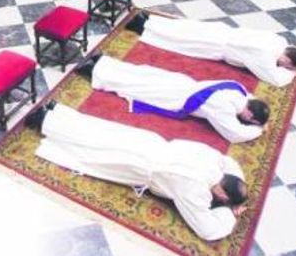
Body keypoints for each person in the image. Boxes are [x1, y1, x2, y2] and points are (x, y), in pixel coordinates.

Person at [26, 102, 250, 241]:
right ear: (221, 195)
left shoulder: (214, 161)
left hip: (150, 143)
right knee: (91, 152)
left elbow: (231, 164)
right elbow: (208, 230)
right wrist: (230, 213)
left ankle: (55, 113)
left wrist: (237, 189)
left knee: (100, 131)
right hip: (138, 164)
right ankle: (43, 122)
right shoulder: (195, 190)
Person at [78, 55, 269, 143]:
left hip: (183, 83)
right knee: (135, 86)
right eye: (250, 119)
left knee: (143, 74)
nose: (247, 121)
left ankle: (102, 62)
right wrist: (257, 129)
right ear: (250, 113)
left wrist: (260, 118)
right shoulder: (224, 108)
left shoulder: (240, 90)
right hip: (175, 98)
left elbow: (251, 98)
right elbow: (234, 134)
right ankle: (93, 72)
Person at [126, 13, 296, 87]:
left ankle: (149, 19)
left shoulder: (278, 40)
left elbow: (289, 46)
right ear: (287, 60)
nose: (283, 65)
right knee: (181, 40)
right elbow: (274, 79)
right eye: (286, 64)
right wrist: (292, 74)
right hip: (218, 46)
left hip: (223, 31)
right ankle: (141, 27)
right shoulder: (265, 56)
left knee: (186, 27)